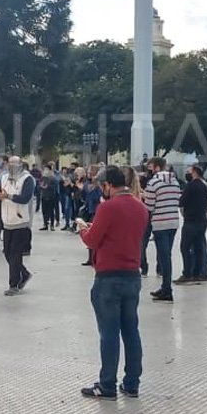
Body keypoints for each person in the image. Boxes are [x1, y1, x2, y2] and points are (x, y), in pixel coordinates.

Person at [76, 166, 149, 400]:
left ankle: (107, 384)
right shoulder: (141, 207)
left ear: (108, 185)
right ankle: (132, 383)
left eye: (102, 186)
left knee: (108, 333)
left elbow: (93, 240)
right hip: (132, 275)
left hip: (108, 277)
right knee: (131, 330)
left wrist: (83, 230)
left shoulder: (107, 207)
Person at [143, 157, 181, 302]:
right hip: (173, 222)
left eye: (151, 167)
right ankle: (165, 287)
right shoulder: (175, 182)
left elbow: (149, 206)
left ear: (157, 167)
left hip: (159, 223)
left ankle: (167, 289)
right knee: (167, 255)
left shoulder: (153, 183)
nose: (149, 170)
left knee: (164, 257)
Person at [0, 155, 36, 296]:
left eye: (15, 163)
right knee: (7, 253)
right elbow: (3, 193)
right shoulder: (4, 178)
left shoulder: (27, 179)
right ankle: (24, 273)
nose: (11, 166)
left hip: (21, 222)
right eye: (10, 163)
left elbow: (25, 198)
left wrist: (9, 196)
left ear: (20, 164)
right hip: (7, 220)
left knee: (15, 254)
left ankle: (13, 284)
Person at [175, 164, 207, 285]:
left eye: (189, 171)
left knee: (185, 247)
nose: (188, 173)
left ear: (194, 172)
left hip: (190, 221)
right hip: (202, 220)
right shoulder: (204, 185)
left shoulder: (190, 186)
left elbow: (182, 202)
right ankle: (198, 273)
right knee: (199, 247)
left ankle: (187, 273)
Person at [38, 164, 60, 231]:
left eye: (47, 169)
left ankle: (52, 225)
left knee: (51, 211)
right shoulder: (43, 177)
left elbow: (54, 187)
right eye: (44, 169)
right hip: (44, 196)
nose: (45, 171)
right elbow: (39, 186)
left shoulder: (53, 178)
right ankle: (45, 224)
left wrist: (47, 187)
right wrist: (41, 187)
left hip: (51, 196)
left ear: (50, 170)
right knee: (44, 211)